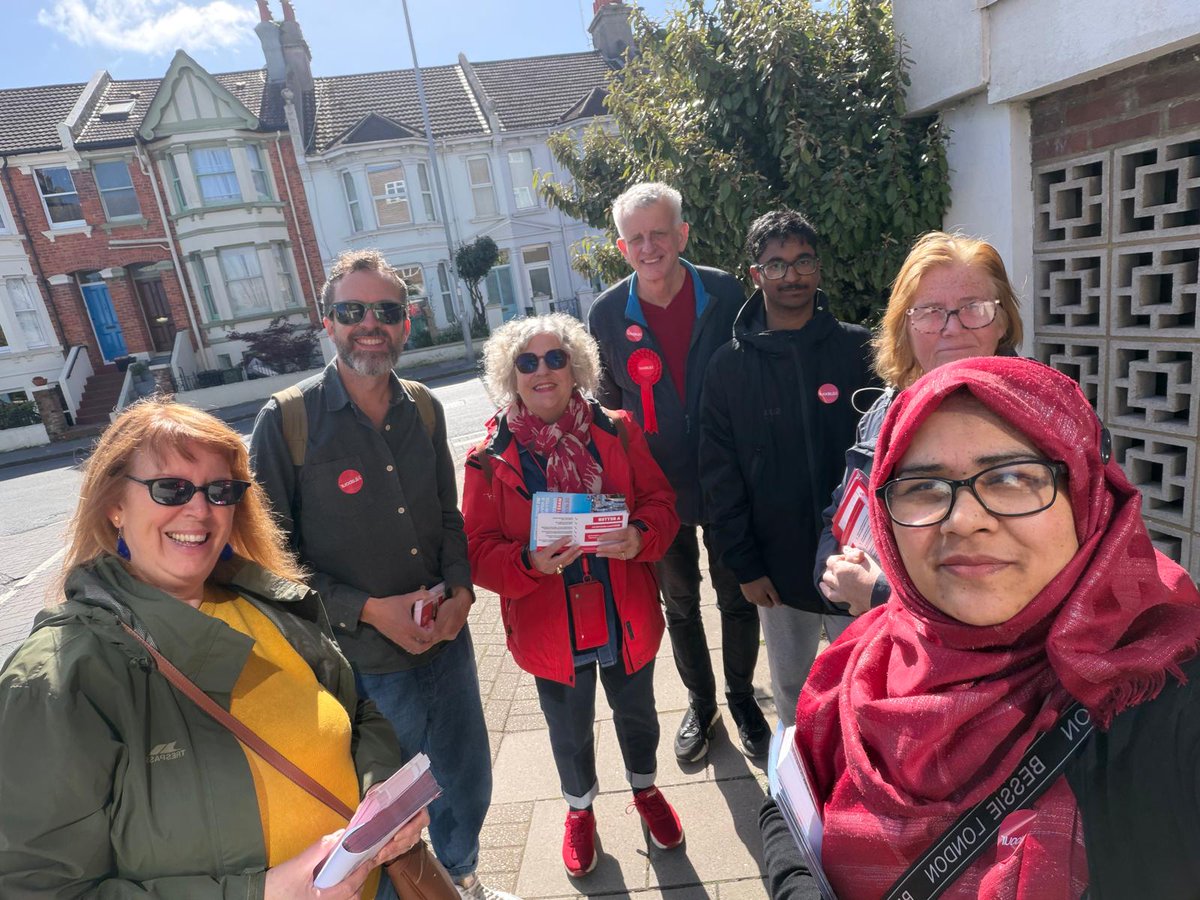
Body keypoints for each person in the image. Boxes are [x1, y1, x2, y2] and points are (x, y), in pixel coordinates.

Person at [762, 356, 1200, 899]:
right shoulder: (862, 656)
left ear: (1086, 492)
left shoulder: (1165, 696)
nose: (964, 520)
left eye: (1013, 478)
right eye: (923, 486)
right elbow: (789, 802)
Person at [0, 399, 428, 898]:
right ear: (115, 505)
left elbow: (356, 714)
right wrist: (261, 893)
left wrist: (380, 797)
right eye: (171, 488)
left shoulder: (271, 604)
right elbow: (37, 888)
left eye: (220, 491)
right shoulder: (59, 679)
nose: (200, 510)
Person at [250, 250, 509, 900]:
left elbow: (447, 516)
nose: (371, 323)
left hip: (446, 646)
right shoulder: (287, 421)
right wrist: (366, 609)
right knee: (385, 818)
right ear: (328, 321)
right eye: (353, 310)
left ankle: (462, 880)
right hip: (361, 666)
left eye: (387, 311)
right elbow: (267, 565)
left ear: (405, 322)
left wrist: (462, 589)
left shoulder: (424, 407)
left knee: (465, 781)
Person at [463, 314, 683, 878]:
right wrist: (526, 562)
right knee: (569, 731)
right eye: (527, 361)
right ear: (511, 375)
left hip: (621, 609)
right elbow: (477, 548)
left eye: (555, 358)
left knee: (639, 716)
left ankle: (645, 789)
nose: (543, 371)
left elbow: (661, 504)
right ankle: (579, 810)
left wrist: (639, 536)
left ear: (575, 366)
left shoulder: (619, 430)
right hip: (549, 622)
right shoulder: (488, 455)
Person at [588, 181, 768, 762]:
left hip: (727, 478)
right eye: (636, 238)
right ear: (622, 247)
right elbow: (609, 409)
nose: (649, 247)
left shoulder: (725, 292)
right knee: (681, 604)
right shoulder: (606, 312)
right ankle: (701, 703)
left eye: (659, 233)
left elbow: (752, 376)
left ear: (682, 234)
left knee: (738, 596)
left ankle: (742, 698)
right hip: (657, 492)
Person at [699, 209, 876, 730]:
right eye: (776, 265)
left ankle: (858, 776)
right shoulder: (728, 366)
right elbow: (719, 477)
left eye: (803, 261)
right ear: (756, 275)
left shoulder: (861, 350)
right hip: (776, 570)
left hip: (856, 560)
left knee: (865, 689)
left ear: (818, 268)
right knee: (794, 695)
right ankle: (793, 779)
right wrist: (744, 566)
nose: (791, 275)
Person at [815, 231, 1024, 619]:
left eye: (974, 307)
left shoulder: (1046, 421)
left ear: (1002, 321)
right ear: (905, 328)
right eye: (929, 312)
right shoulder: (884, 410)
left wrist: (879, 595)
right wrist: (833, 570)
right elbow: (842, 507)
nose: (952, 328)